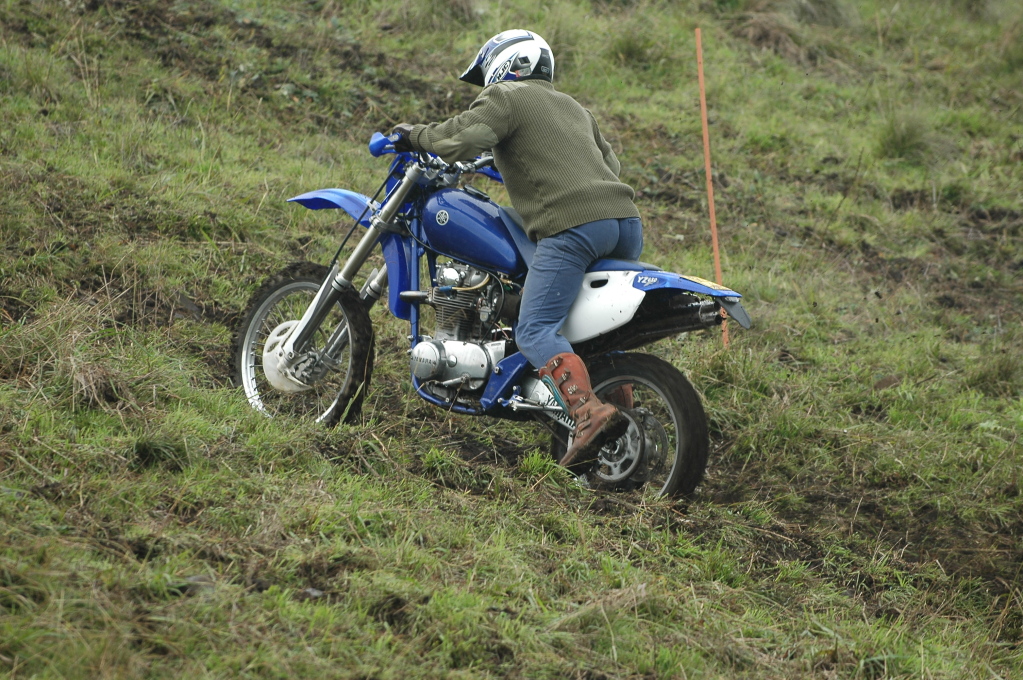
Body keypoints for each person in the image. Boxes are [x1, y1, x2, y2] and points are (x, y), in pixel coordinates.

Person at [390, 29, 643, 467]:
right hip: (625, 223)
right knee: (593, 332)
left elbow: (464, 137)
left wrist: (415, 136)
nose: (486, 84)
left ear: (506, 65)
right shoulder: (574, 108)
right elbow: (609, 165)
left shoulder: (506, 96)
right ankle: (624, 411)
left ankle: (588, 413)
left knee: (534, 329)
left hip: (575, 225)